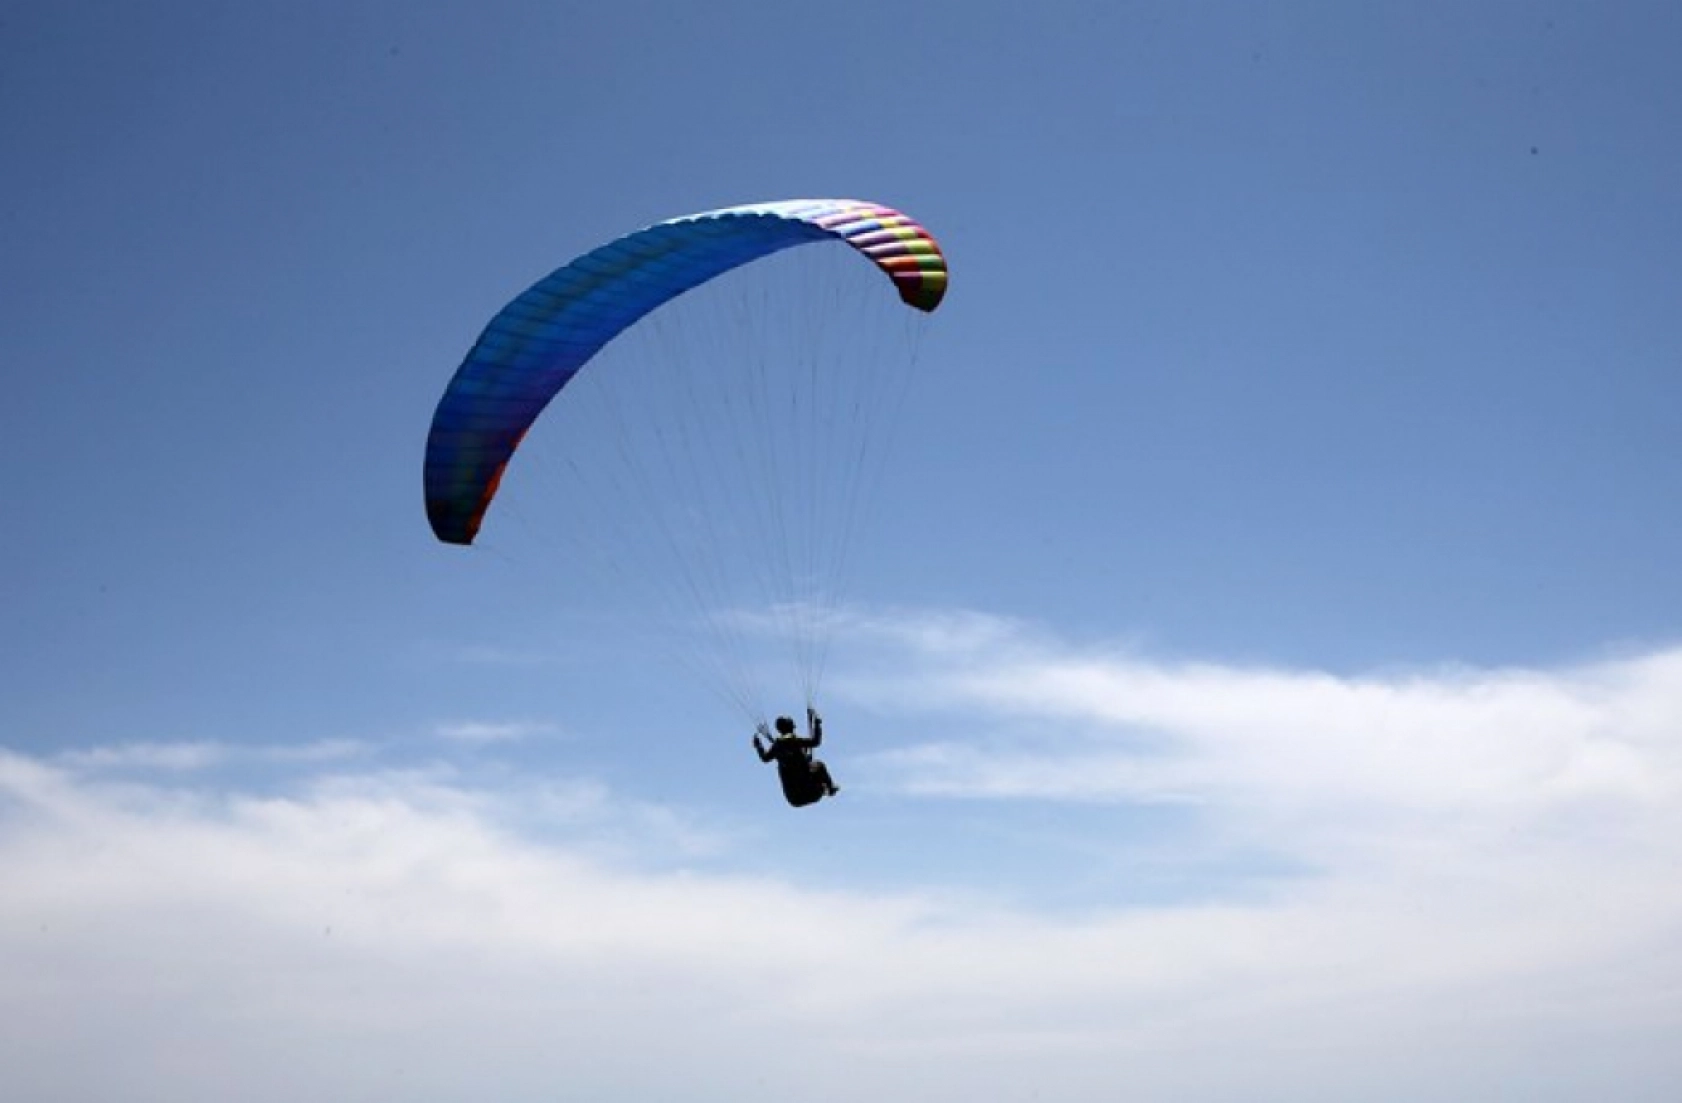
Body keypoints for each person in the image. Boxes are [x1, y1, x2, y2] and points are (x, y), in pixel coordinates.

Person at [753, 707, 839, 807]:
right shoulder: (795, 741)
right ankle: (830, 788)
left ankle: (826, 789)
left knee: (809, 765)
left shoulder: (776, 746)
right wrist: (817, 723)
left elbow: (764, 758)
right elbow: (816, 741)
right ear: (791, 728)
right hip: (811, 793)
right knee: (819, 765)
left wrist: (758, 745)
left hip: (794, 800)